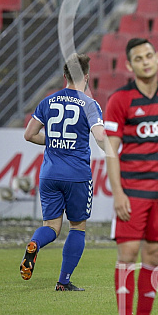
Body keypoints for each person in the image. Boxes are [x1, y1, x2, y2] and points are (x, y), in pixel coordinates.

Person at [104, 38, 158, 315]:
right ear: (129, 65)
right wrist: (118, 192)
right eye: (139, 58)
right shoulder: (119, 100)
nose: (146, 62)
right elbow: (111, 150)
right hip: (133, 190)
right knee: (127, 254)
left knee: (153, 255)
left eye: (149, 56)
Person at [20, 54, 108, 291]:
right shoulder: (90, 104)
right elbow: (99, 136)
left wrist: (54, 140)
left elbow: (29, 134)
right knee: (77, 227)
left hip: (49, 174)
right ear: (86, 77)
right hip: (77, 175)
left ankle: (35, 244)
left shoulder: (47, 102)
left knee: (51, 226)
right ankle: (63, 281)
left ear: (65, 76)